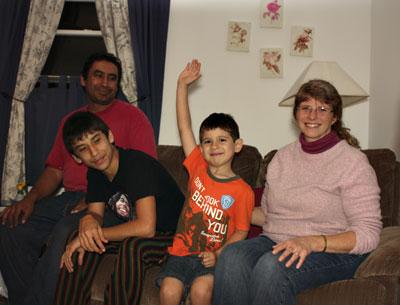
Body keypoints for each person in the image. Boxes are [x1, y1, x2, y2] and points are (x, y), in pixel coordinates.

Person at [0, 52, 157, 305]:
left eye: (112, 78)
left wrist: (92, 201)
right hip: (67, 198)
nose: (105, 83)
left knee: (67, 229)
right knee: (10, 225)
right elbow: (54, 171)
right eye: (98, 75)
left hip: (111, 203)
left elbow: (144, 172)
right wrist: (30, 198)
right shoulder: (70, 123)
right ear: (83, 80)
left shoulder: (134, 118)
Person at [212, 79, 382, 305]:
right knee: (231, 255)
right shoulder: (282, 158)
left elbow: (368, 234)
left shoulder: (353, 162)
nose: (313, 116)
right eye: (306, 108)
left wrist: (311, 242)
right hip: (276, 240)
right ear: (296, 115)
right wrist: (227, 208)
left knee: (271, 266)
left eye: (322, 109)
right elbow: (269, 215)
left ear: (334, 117)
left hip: (331, 249)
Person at [57, 111, 184, 305]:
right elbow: (96, 213)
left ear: (110, 136)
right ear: (77, 158)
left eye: (97, 140)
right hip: (144, 234)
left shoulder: (136, 165)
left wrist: (94, 235)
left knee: (132, 245)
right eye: (83, 148)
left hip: (175, 234)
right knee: (78, 240)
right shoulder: (96, 173)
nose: (94, 152)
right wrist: (89, 220)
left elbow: (146, 227)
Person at [157, 59, 254, 305]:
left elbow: (242, 230)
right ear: (201, 148)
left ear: (238, 145)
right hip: (180, 253)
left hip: (210, 259)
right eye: (208, 141)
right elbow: (184, 127)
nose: (214, 146)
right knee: (168, 292)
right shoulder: (198, 166)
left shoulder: (242, 191)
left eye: (222, 140)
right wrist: (181, 86)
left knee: (201, 292)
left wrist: (218, 254)